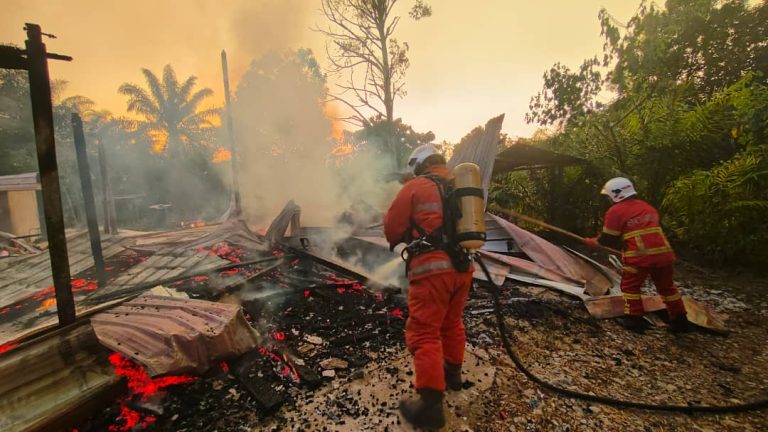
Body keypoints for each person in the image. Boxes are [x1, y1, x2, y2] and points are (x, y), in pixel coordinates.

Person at [384, 144, 474, 429]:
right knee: (451, 322)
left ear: (418, 164)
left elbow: (392, 228)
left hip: (433, 270)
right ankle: (453, 376)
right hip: (464, 269)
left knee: (424, 332)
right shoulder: (458, 185)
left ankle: (430, 404)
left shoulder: (416, 186)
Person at [585, 177, 693, 334]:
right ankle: (680, 321)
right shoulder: (647, 207)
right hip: (664, 255)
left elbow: (609, 239)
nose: (608, 199)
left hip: (640, 257)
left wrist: (594, 242)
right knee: (667, 287)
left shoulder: (616, 211)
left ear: (615, 195)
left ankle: (634, 320)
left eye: (608, 196)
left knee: (630, 286)